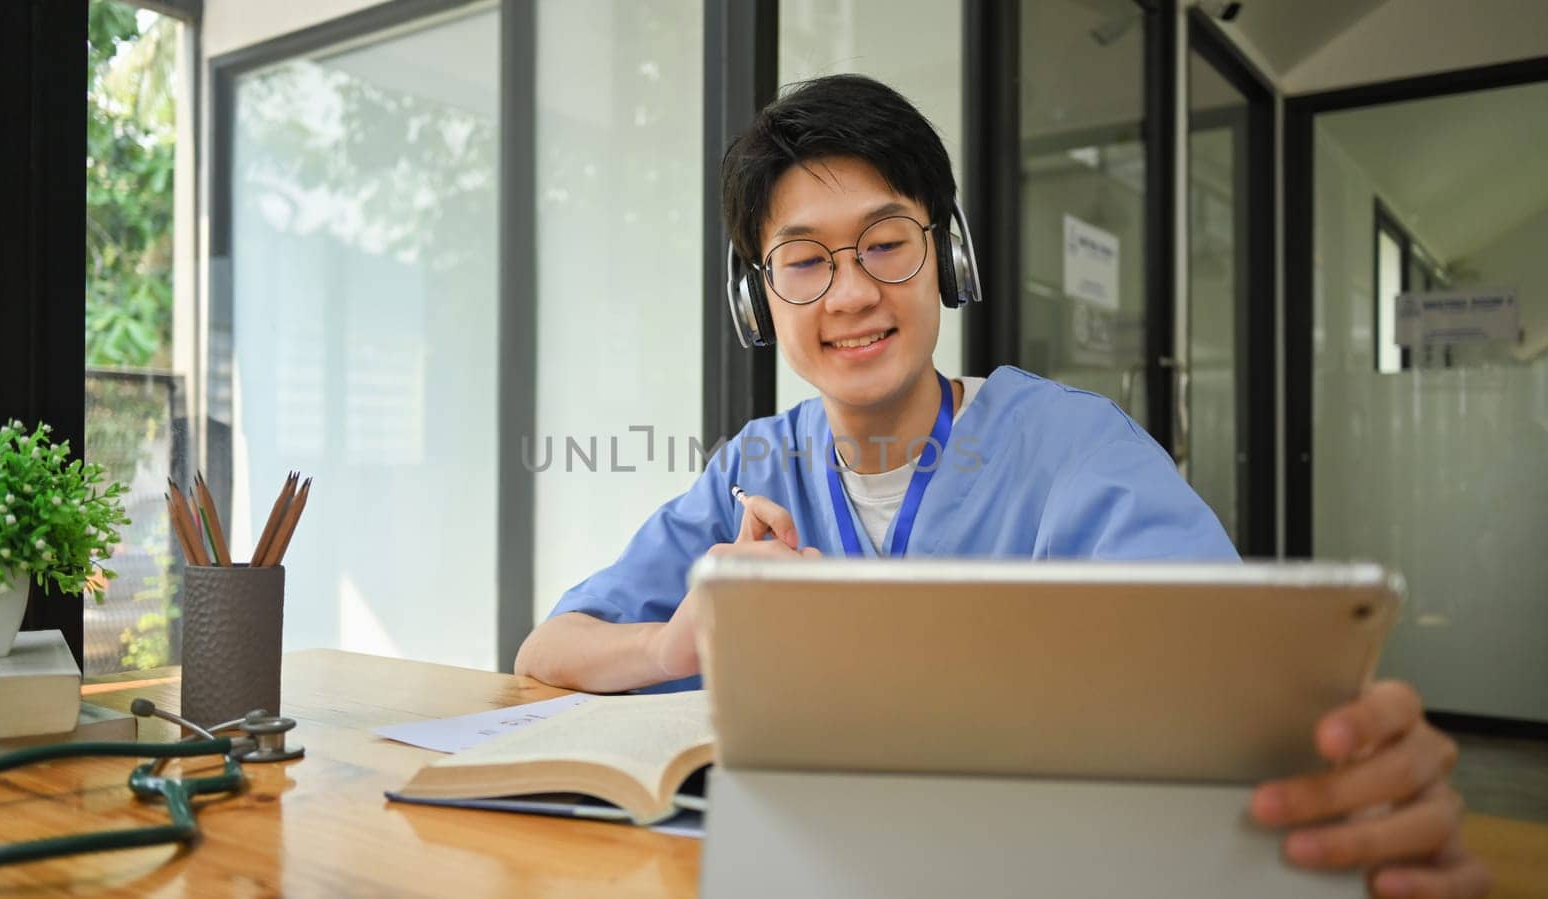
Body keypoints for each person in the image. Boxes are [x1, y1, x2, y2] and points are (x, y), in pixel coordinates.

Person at [515, 75, 1490, 897]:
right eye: (804, 262)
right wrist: (670, 639)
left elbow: (1242, 697)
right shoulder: (754, 464)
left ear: (948, 254)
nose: (849, 292)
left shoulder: (1072, 445)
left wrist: (1342, 766)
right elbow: (549, 647)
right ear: (756, 297)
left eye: (885, 242)